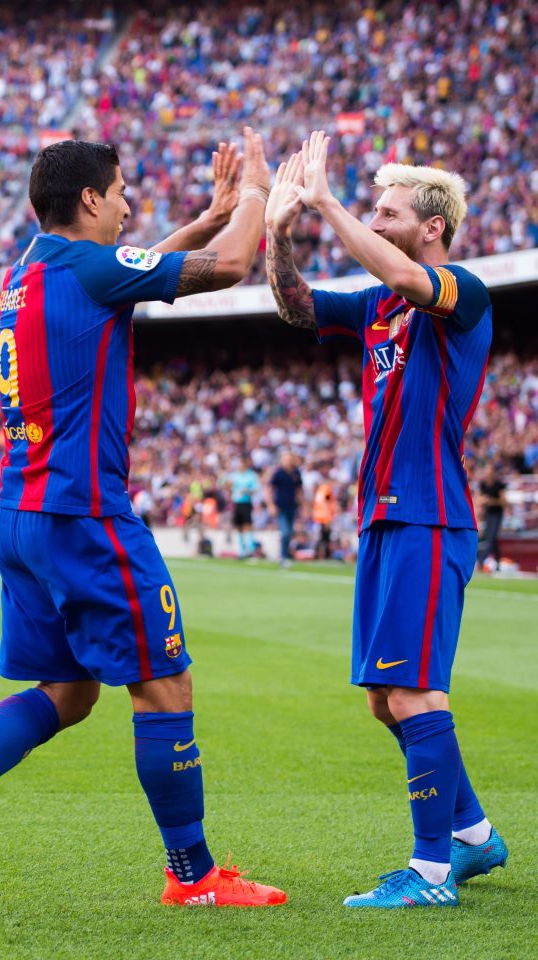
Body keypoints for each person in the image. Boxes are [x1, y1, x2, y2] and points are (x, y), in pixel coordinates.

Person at [0, 131, 286, 909]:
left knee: (69, 693)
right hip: (84, 512)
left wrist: (203, 220)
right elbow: (236, 267)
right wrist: (255, 196)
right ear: (91, 200)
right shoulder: (88, 268)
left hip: (19, 512)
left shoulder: (27, 273)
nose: (130, 204)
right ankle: (193, 877)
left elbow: (128, 275)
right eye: (123, 190)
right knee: (165, 686)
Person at [265, 130, 507, 908]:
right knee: (382, 696)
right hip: (382, 519)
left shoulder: (461, 290)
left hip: (430, 518)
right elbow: (297, 308)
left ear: (430, 225)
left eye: (388, 210)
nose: (376, 217)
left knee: (414, 696)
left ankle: (431, 873)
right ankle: (472, 838)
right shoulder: (377, 306)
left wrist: (328, 202)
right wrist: (277, 233)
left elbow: (403, 272)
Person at [267, 451, 303, 568]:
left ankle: (285, 555)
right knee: (285, 532)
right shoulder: (278, 473)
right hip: (281, 507)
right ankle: (283, 557)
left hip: (292, 506)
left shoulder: (296, 472)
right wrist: (271, 504)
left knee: (289, 532)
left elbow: (299, 489)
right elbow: (269, 488)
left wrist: (302, 503)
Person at [476, 462, 507, 571]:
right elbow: (478, 499)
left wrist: (491, 501)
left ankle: (480, 562)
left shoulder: (499, 484)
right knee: (493, 539)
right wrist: (483, 500)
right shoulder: (483, 484)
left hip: (497, 514)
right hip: (487, 514)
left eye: (489, 470)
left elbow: (504, 501)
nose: (488, 473)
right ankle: (498, 563)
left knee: (490, 538)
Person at [229, 455, 260, 558]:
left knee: (247, 525)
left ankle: (250, 549)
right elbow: (228, 486)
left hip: (246, 503)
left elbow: (256, 489)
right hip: (237, 503)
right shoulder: (235, 475)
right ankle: (242, 550)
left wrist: (247, 491)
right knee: (239, 526)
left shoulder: (251, 475)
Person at [312, 481, 336, 560]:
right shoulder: (326, 491)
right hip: (324, 519)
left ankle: (320, 554)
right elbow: (326, 506)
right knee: (324, 539)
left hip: (319, 518)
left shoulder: (321, 492)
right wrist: (327, 520)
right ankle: (323, 555)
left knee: (322, 538)